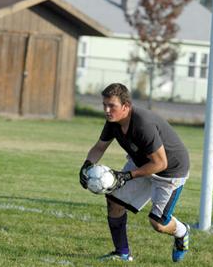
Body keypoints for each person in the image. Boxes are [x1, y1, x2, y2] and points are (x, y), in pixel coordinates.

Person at [79, 83, 191, 263]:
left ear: (126, 106)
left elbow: (161, 163)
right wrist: (86, 165)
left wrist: (126, 176)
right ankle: (122, 253)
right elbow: (99, 147)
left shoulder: (142, 124)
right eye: (104, 105)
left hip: (170, 171)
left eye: (112, 106)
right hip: (143, 162)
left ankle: (183, 231)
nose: (107, 110)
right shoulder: (113, 122)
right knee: (114, 201)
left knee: (158, 223)